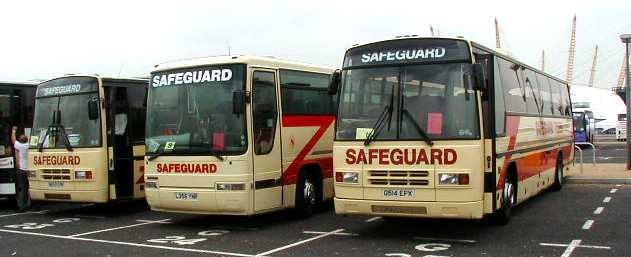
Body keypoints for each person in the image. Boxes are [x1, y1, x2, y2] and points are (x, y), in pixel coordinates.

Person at [11, 126, 30, 212]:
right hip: (29, 170)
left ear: (20, 141)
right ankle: (29, 204)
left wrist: (14, 131)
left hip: (22, 170)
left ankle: (22, 207)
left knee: (22, 188)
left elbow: (13, 140)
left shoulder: (20, 146)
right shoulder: (29, 146)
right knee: (29, 187)